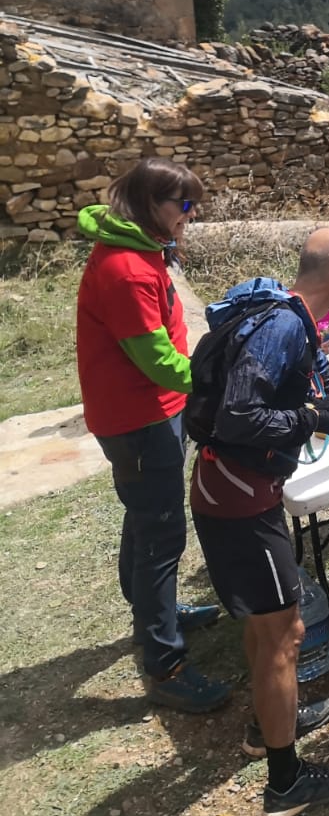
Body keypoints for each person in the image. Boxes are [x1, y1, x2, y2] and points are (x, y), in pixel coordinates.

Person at [185, 228, 329, 814]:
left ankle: (268, 724)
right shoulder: (284, 327)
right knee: (282, 634)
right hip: (240, 499)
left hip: (235, 490)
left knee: (266, 625)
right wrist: (311, 419)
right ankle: (285, 782)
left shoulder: (293, 314)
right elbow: (241, 417)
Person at [75, 157, 230, 714]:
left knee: (145, 517)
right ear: (150, 204)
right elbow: (158, 361)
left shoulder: (140, 248)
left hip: (147, 412)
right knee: (162, 536)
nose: (191, 215)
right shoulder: (127, 269)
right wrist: (217, 377)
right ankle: (165, 666)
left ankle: (151, 616)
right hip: (138, 418)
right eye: (184, 205)